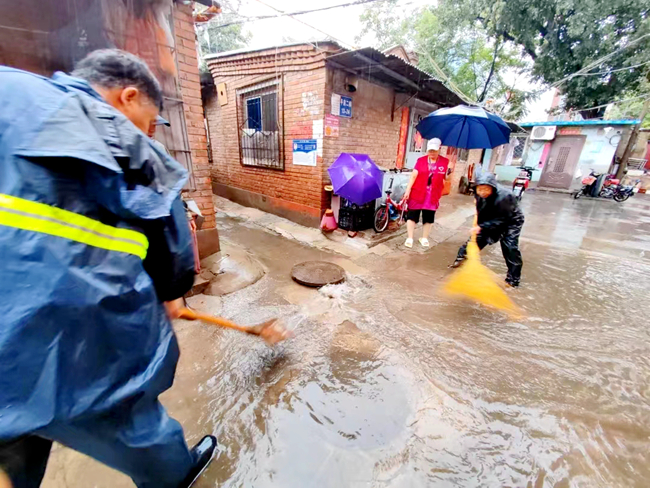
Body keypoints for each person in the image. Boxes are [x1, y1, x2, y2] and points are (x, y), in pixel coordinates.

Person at [0, 50, 216, 488]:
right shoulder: (114, 132)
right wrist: (172, 291)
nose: (148, 134)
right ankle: (176, 477)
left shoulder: (8, 90)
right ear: (128, 97)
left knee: (13, 445)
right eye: (150, 122)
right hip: (78, 345)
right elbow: (170, 245)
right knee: (136, 427)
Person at [450, 173, 525, 287]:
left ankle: (513, 280)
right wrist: (479, 226)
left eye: (486, 189)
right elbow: (481, 211)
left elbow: (503, 219)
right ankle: (460, 261)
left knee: (510, 248)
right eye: (480, 189)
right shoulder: (478, 194)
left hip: (510, 221)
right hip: (488, 218)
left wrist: (482, 226)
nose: (483, 192)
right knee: (474, 241)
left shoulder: (505, 196)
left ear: (493, 188)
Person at [403, 138, 449, 248]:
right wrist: (408, 190)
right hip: (418, 191)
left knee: (428, 217)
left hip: (432, 194)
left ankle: (424, 238)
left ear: (439, 149)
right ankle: (410, 237)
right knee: (412, 215)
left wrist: (450, 171)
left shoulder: (445, 162)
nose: (432, 153)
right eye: (430, 151)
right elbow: (414, 176)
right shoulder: (421, 160)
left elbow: (446, 179)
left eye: (434, 151)